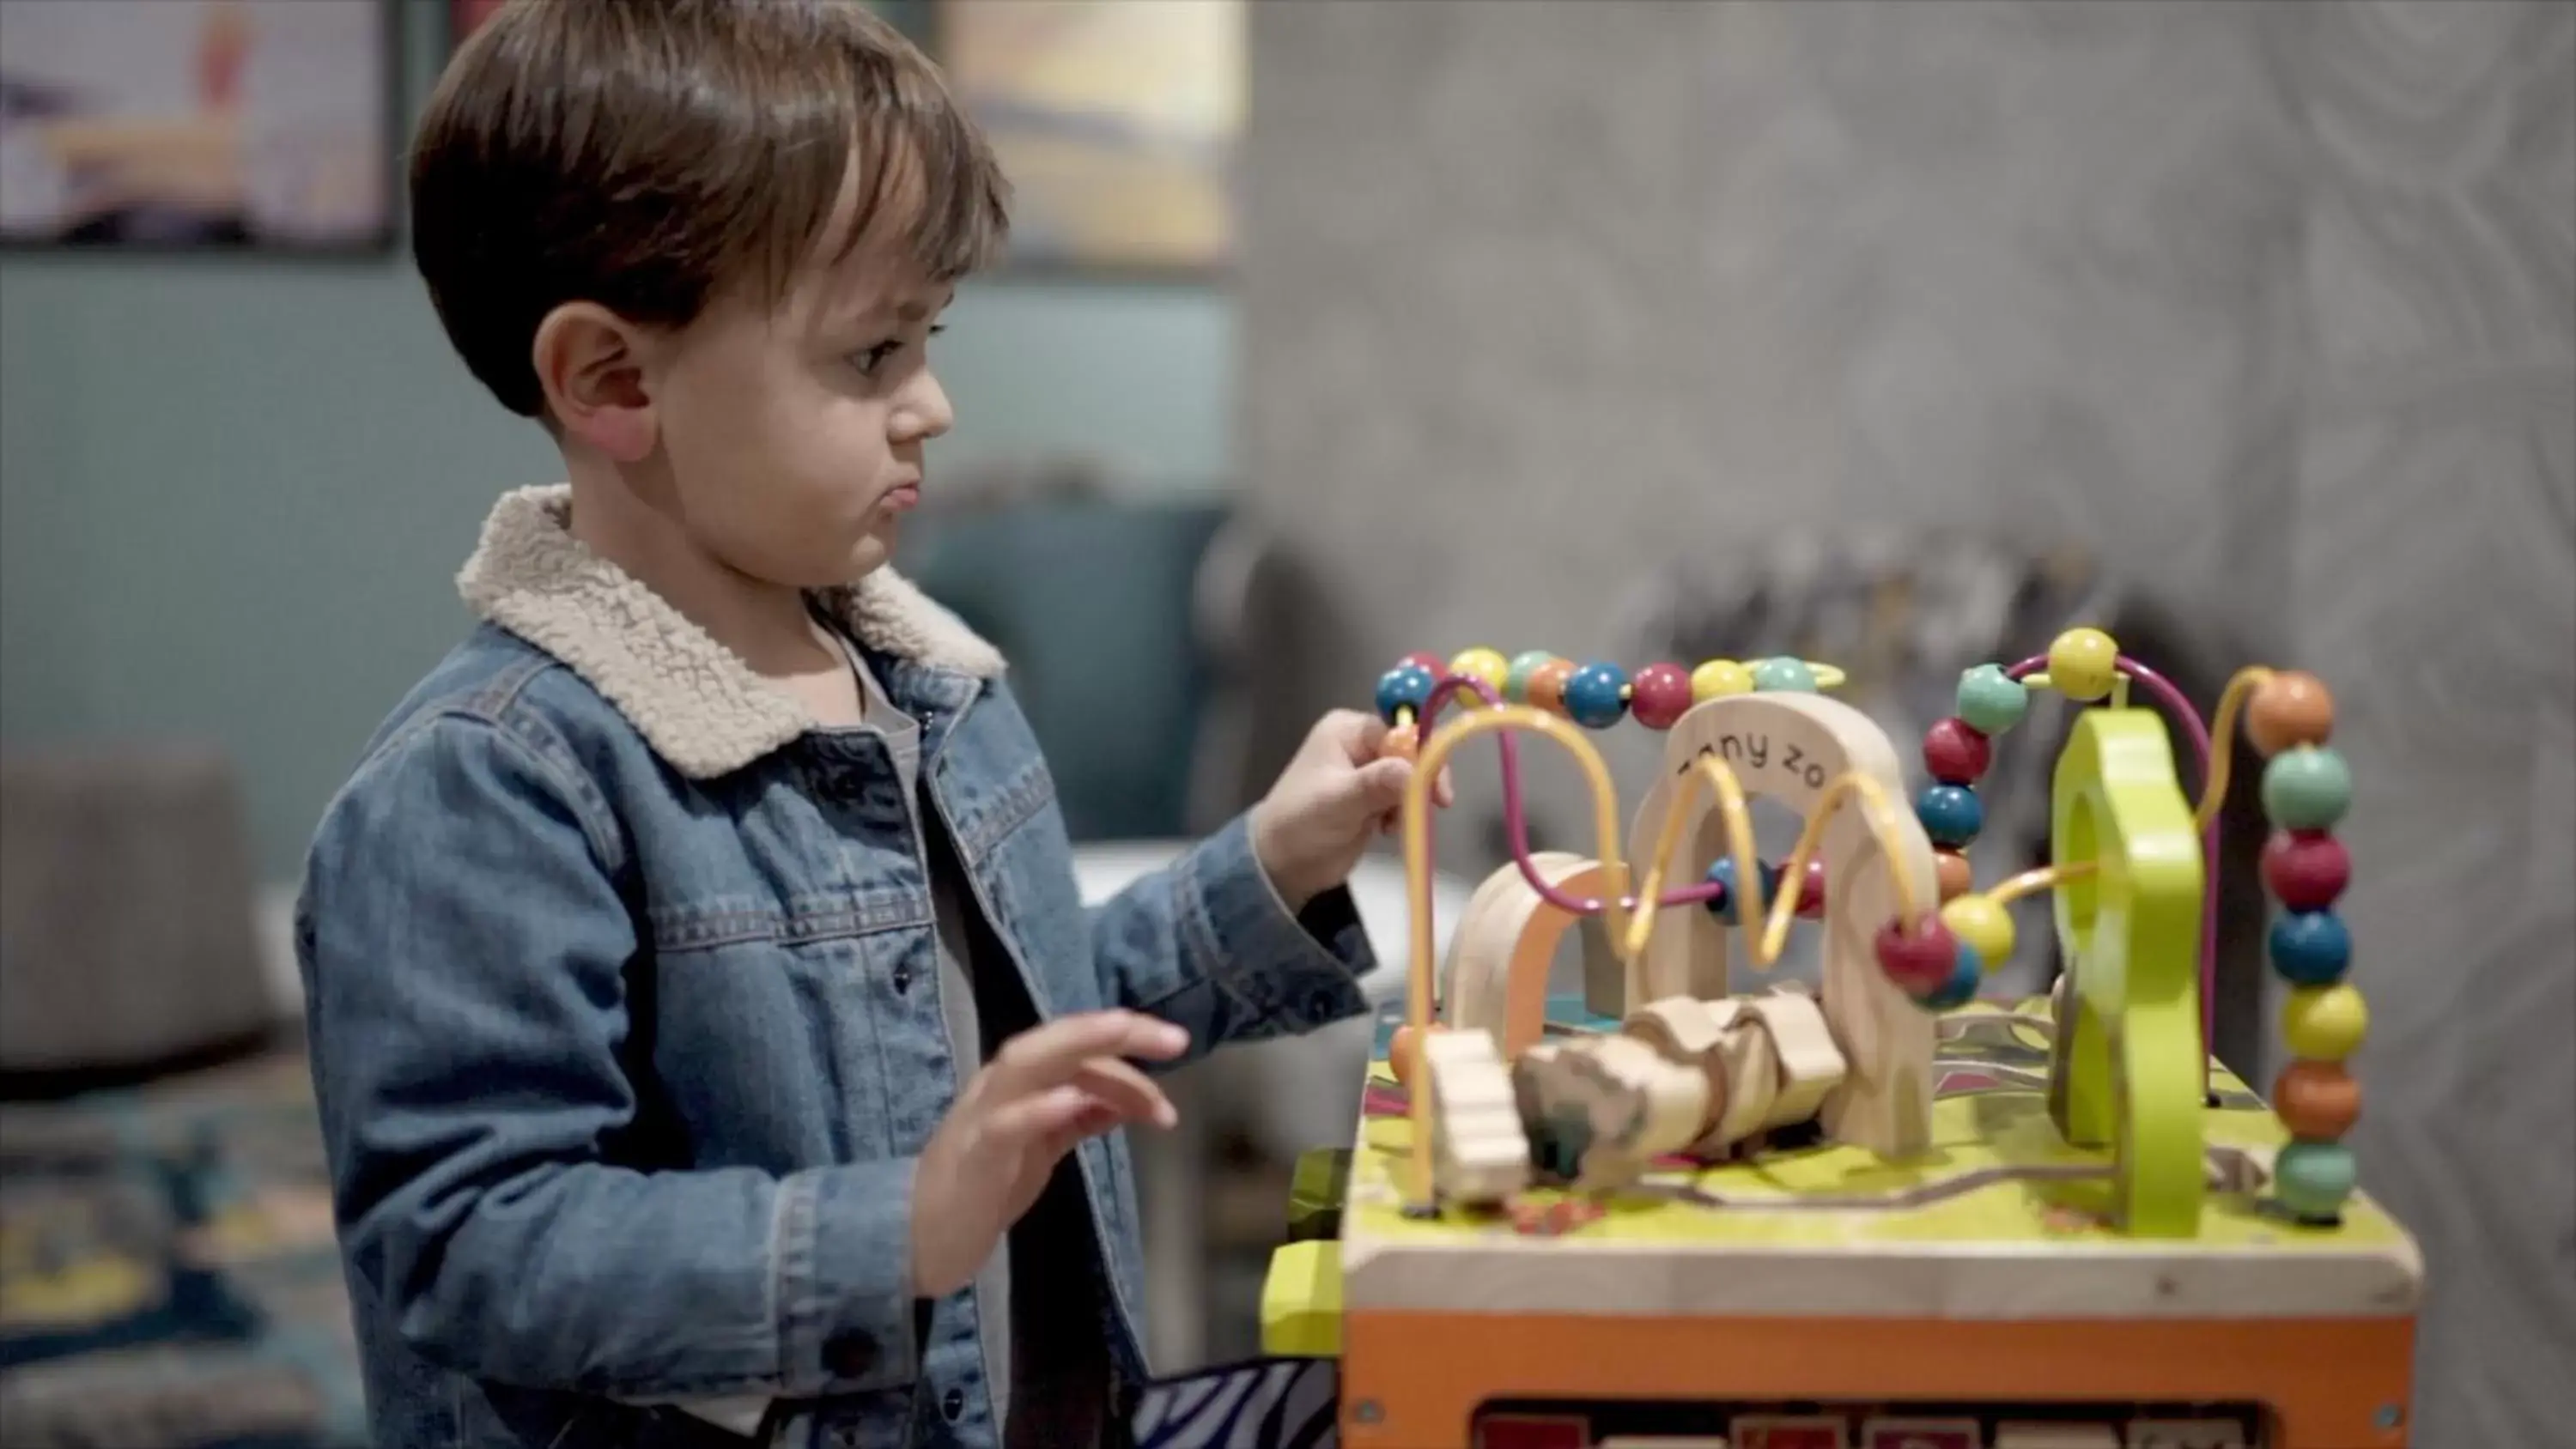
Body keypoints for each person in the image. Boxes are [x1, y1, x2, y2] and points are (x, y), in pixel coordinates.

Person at [294, 3, 1443, 1446]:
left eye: (929, 338)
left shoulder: (932, 688)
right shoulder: (489, 788)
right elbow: (471, 1242)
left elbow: (1023, 1031)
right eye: (872, 354)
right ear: (611, 380)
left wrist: (1267, 870)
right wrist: (894, 1231)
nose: (935, 406)